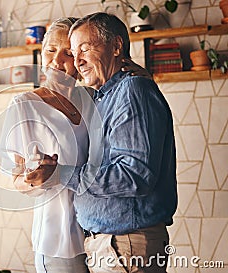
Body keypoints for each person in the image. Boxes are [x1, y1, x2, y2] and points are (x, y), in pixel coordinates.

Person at [26, 12, 178, 273]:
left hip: (126, 246)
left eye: (84, 49)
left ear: (117, 46)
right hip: (114, 246)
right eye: (74, 53)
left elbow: (134, 175)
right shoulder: (104, 96)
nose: (77, 60)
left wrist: (61, 173)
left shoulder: (132, 90)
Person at [0, 16, 151, 273]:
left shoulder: (94, 97)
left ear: (81, 58)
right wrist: (32, 179)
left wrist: (144, 77)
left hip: (101, 235)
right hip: (59, 238)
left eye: (68, 52)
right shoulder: (25, 105)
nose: (57, 60)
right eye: (50, 50)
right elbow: (16, 178)